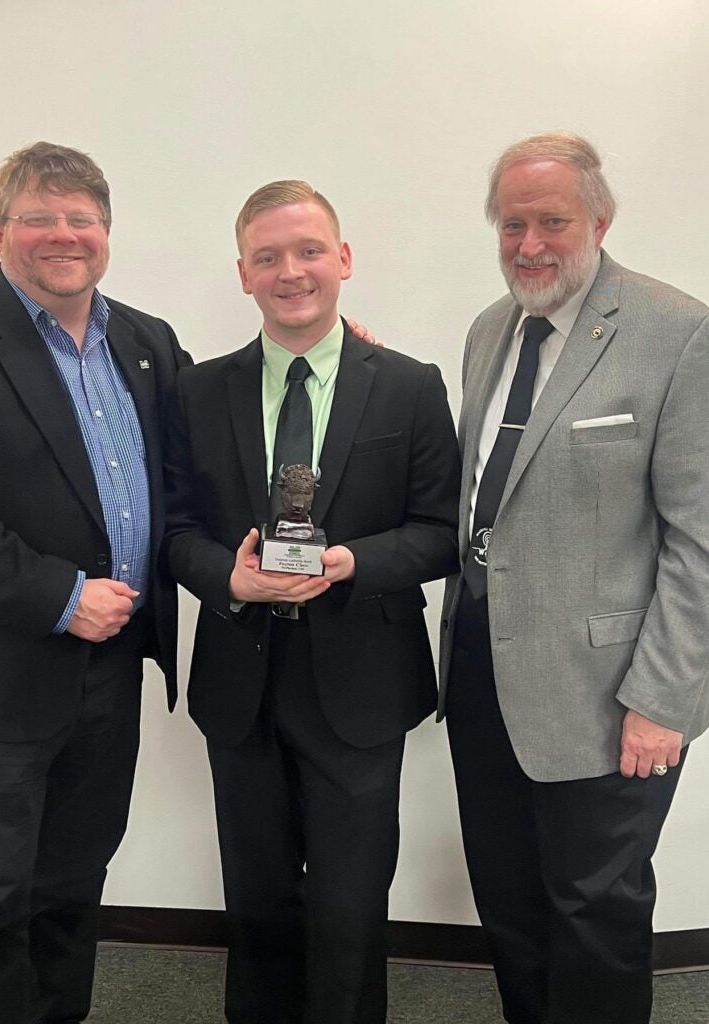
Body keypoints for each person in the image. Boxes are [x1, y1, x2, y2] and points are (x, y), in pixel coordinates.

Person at [438, 131, 709, 1024]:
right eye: (509, 225)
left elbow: (705, 542)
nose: (527, 244)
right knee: (508, 901)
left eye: (550, 221)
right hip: (481, 674)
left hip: (610, 695)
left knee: (593, 912)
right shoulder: (489, 331)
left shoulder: (680, 334)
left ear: (599, 221)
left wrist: (660, 697)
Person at [164, 180, 460, 1024]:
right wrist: (230, 577)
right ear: (242, 273)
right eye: (267, 257)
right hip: (241, 680)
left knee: (351, 902)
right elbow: (176, 528)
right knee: (255, 899)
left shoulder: (409, 386)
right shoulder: (197, 391)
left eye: (307, 251)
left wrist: (348, 562)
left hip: (360, 681)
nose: (289, 271)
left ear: (343, 259)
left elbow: (440, 532)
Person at [0, 142, 191, 1024]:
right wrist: (58, 595)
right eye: (40, 217)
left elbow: (220, 444)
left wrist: (337, 362)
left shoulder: (148, 342)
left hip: (111, 671)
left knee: (75, 883)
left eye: (81, 218)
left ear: (107, 233)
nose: (63, 235)